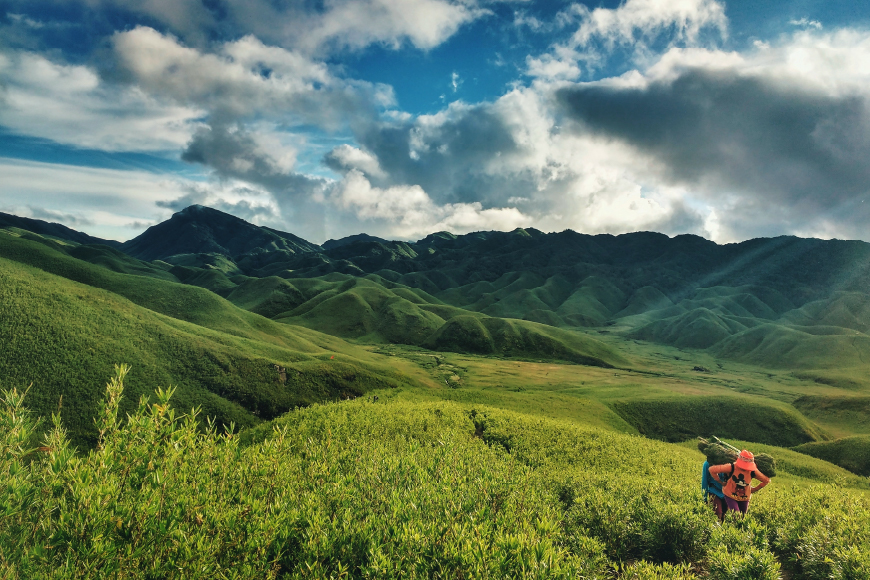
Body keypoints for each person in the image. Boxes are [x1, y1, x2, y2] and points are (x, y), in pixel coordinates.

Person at [708, 449, 770, 516]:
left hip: (745, 498)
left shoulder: (753, 471)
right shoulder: (731, 467)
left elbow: (766, 480)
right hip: (730, 495)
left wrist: (755, 489)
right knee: (737, 516)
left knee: (742, 517)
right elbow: (712, 469)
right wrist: (720, 481)